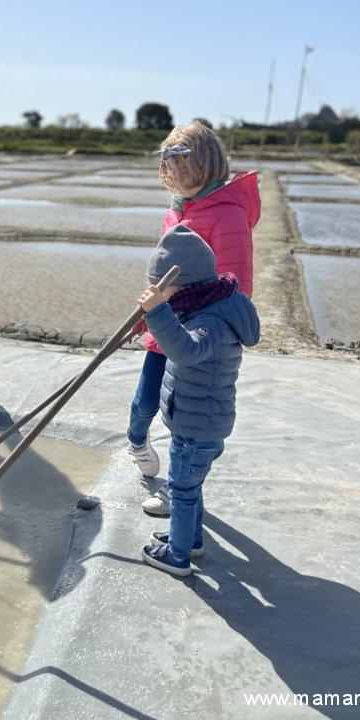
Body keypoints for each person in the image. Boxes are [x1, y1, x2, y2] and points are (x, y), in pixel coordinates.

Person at [124, 121, 260, 517]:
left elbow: (236, 285)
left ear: (206, 163)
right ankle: (137, 442)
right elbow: (162, 272)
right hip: (164, 325)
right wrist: (146, 314)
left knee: (185, 424)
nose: (175, 171)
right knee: (143, 403)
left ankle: (175, 492)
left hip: (198, 336)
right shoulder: (177, 211)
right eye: (169, 163)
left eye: (183, 162)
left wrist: (202, 331)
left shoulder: (228, 215)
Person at [137, 225, 260, 576]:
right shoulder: (206, 304)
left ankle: (177, 556)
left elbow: (187, 351)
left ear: (183, 283)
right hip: (196, 419)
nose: (162, 295)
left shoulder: (211, 319)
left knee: (182, 489)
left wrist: (158, 313)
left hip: (198, 425)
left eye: (164, 288)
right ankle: (189, 539)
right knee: (190, 485)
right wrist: (159, 313)